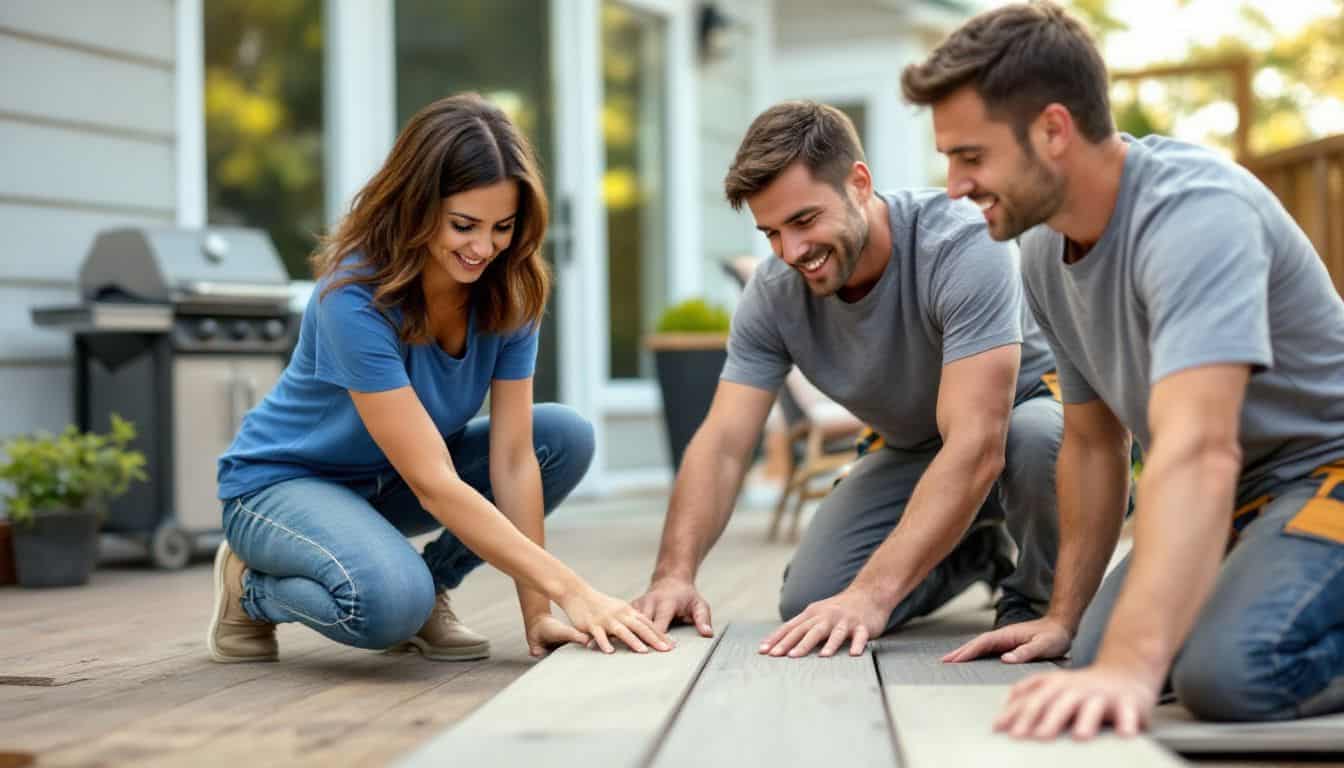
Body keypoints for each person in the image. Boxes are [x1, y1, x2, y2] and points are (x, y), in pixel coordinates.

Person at [903, 0, 1344, 738]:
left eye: (970, 156)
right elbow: (1092, 441)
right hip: (1244, 500)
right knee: (1091, 653)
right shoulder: (1045, 247)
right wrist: (1066, 615)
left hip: (1326, 470)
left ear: (1052, 130)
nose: (952, 185)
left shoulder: (1196, 216)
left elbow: (1199, 449)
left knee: (1232, 672)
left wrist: (1134, 668)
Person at [208, 93, 671, 665]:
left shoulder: (514, 288)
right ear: (417, 207)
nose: (484, 248)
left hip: (389, 488)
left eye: (502, 227)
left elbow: (514, 460)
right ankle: (251, 591)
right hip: (281, 486)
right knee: (385, 607)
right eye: (463, 225)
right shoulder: (352, 298)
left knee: (563, 437)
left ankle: (431, 589)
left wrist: (539, 616)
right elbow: (433, 480)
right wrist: (573, 590)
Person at [632, 100, 1064, 658]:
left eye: (805, 220)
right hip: (915, 448)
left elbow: (980, 444)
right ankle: (973, 553)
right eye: (771, 233)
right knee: (812, 600)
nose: (791, 252)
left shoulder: (960, 243)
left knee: (1033, 440)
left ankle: (1034, 598)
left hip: (1025, 422)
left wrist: (874, 594)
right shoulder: (772, 295)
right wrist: (674, 573)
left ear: (859, 184)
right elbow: (722, 445)